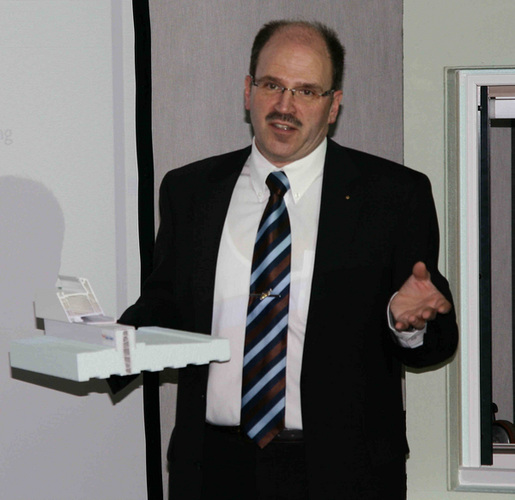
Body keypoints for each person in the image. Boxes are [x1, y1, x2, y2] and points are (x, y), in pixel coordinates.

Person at [120, 20, 458, 500]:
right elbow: (165, 304)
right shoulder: (190, 191)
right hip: (213, 468)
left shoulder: (393, 197)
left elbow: (437, 338)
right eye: (273, 85)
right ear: (248, 90)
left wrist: (407, 322)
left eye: (306, 91)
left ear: (333, 105)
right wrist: (108, 343)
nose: (285, 106)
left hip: (345, 472)